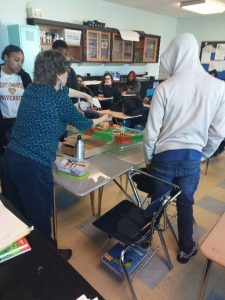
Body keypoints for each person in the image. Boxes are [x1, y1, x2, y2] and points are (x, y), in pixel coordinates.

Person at [2, 50, 108, 260]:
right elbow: (84, 124)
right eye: (65, 71)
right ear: (58, 74)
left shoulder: (33, 88)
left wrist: (86, 95)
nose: (68, 74)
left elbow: (64, 91)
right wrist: (103, 116)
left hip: (10, 160)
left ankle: (28, 256)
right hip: (33, 166)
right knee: (40, 216)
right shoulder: (58, 101)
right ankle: (48, 259)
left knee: (20, 214)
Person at [144, 33, 225, 264]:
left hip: (163, 157)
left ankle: (143, 240)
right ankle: (186, 248)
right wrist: (203, 154)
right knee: (186, 202)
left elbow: (151, 132)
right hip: (192, 157)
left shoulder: (165, 88)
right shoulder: (219, 88)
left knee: (157, 200)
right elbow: (218, 133)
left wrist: (149, 157)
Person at [0, 45, 32, 156]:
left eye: (22, 61)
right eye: (16, 60)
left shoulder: (24, 76)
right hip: (3, 125)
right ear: (6, 57)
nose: (20, 64)